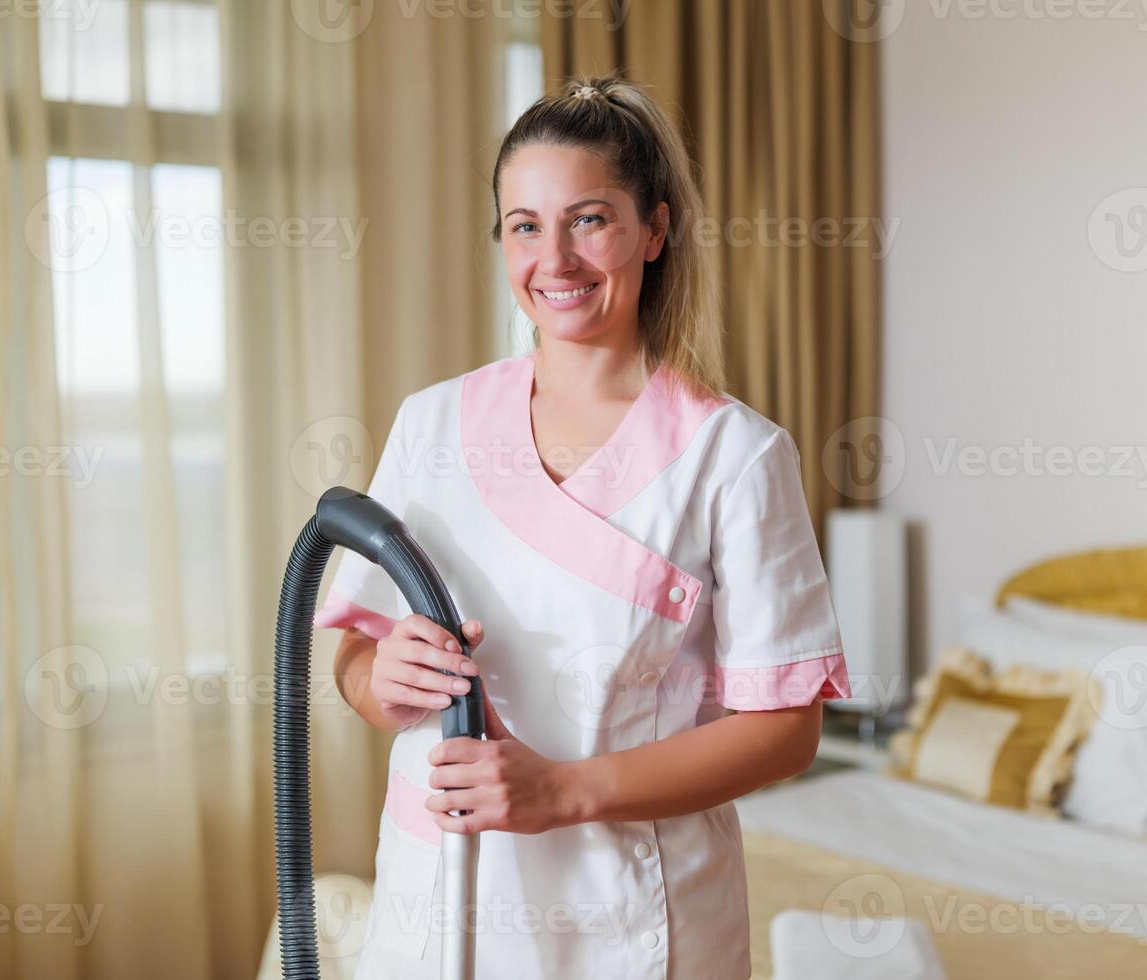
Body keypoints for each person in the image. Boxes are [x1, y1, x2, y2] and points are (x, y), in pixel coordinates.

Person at [315, 73, 849, 980]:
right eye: (525, 225)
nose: (554, 259)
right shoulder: (432, 424)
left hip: (629, 916)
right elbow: (357, 670)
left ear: (655, 228)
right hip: (436, 901)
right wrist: (388, 679)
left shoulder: (736, 456)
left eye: (589, 219)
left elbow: (786, 730)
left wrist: (565, 790)